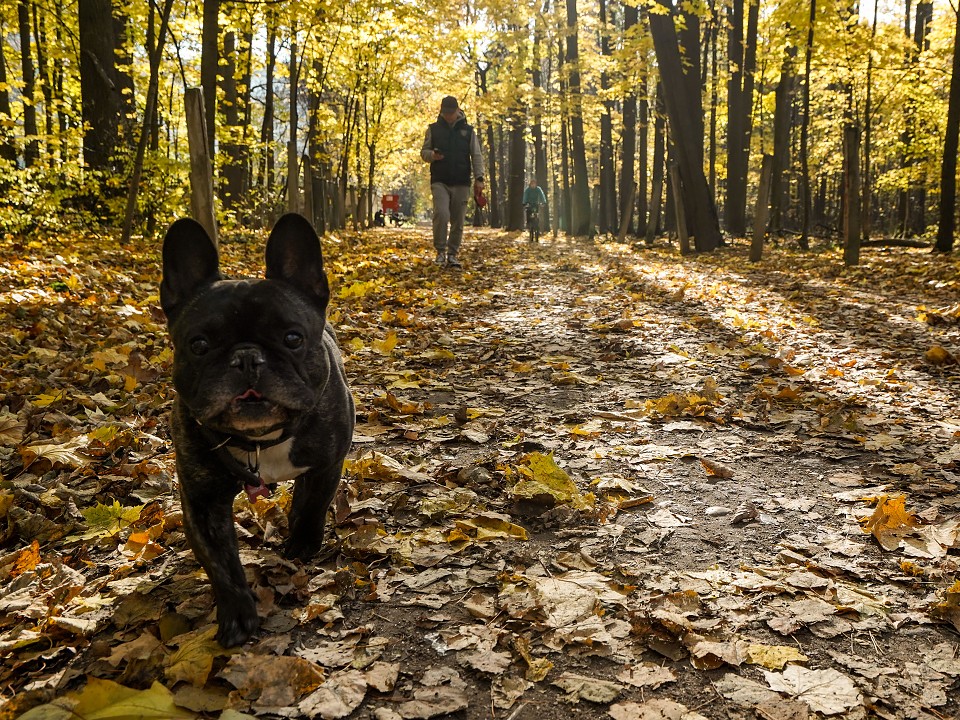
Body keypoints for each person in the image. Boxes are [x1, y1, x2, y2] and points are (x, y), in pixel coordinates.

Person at [421, 95, 485, 268]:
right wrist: (432, 156)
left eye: (451, 113)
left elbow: (476, 155)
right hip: (440, 180)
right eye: (446, 113)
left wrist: (479, 178)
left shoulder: (469, 131)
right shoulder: (433, 129)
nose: (449, 116)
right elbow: (424, 152)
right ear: (442, 112)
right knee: (441, 214)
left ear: (458, 111)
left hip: (462, 181)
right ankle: (440, 251)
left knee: (458, 220)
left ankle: (452, 254)